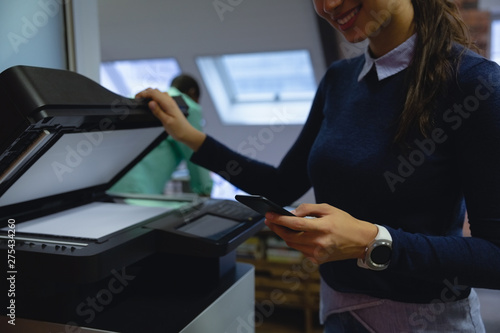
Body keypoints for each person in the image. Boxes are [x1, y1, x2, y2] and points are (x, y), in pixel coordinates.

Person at [135, 0, 500, 331]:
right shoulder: (338, 80)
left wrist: (372, 242)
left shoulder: (474, 83)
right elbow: (280, 186)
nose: (328, 5)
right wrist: (189, 137)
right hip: (338, 314)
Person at [109, 74, 213, 196]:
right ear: (192, 92)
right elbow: (195, 152)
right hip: (140, 188)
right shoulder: (187, 107)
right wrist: (205, 190)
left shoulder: (148, 101)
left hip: (112, 182)